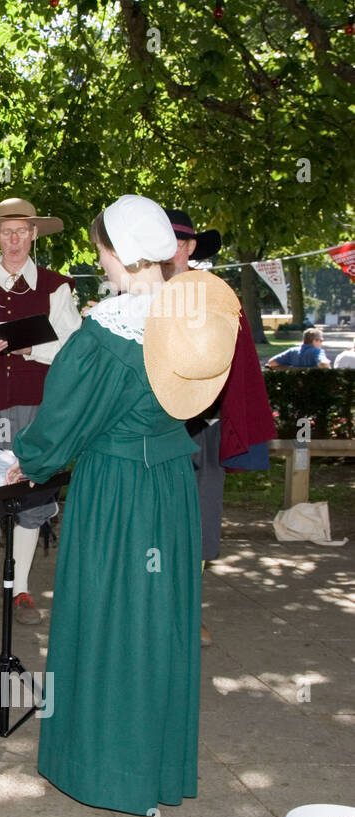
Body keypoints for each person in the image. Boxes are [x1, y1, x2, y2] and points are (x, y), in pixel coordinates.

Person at [6, 194, 236, 815]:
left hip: (118, 490)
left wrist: (26, 460)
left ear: (122, 253)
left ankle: (106, 771)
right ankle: (155, 769)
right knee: (158, 624)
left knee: (111, 621)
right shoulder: (194, 313)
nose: (98, 261)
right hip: (169, 485)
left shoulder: (108, 331)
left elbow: (61, 425)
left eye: (101, 250)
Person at [0, 198, 82, 626]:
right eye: (6, 232)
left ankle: (21, 589)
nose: (14, 239)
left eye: (22, 231)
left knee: (32, 494)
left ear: (34, 235)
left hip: (39, 405)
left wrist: (29, 347)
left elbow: (73, 348)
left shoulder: (56, 286)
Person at [164, 208, 277, 646]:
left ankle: (189, 613)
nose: (170, 250)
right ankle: (149, 612)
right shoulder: (136, 293)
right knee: (153, 522)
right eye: (162, 242)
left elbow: (237, 361)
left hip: (201, 427)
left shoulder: (216, 295)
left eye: (179, 242)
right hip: (149, 428)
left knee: (199, 522)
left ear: (192, 247)